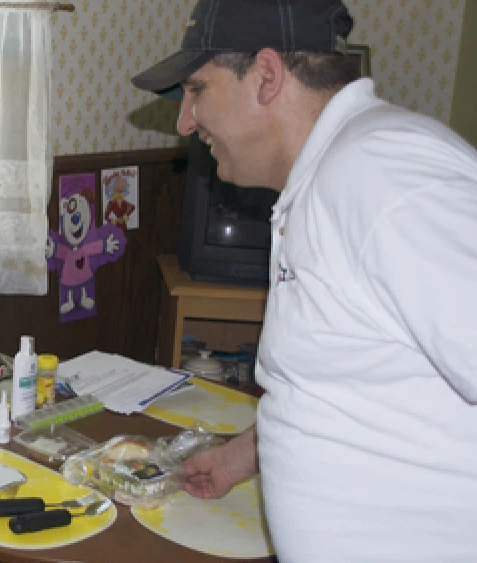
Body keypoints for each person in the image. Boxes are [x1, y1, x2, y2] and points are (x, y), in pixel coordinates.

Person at [132, 0, 477, 561]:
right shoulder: (325, 180)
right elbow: (340, 383)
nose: (185, 121)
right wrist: (242, 455)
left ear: (266, 75)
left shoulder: (383, 175)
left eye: (197, 90)